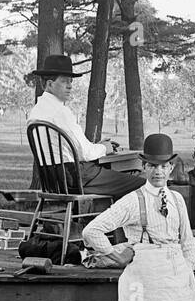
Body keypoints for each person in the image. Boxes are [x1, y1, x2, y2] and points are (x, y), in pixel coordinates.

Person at [81, 133, 195, 301]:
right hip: (144, 281)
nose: (158, 172)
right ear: (144, 166)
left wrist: (187, 271)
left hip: (177, 283)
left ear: (171, 168)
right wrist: (119, 258)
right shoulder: (133, 200)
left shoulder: (176, 199)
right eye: (152, 166)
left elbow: (187, 241)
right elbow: (91, 231)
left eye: (163, 166)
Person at [26, 54, 142, 199]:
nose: (69, 86)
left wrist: (96, 146)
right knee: (141, 185)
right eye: (64, 81)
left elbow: (70, 148)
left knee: (120, 179)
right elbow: (85, 153)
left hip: (52, 180)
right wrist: (105, 148)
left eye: (70, 81)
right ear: (49, 84)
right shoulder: (60, 112)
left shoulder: (36, 113)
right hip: (75, 178)